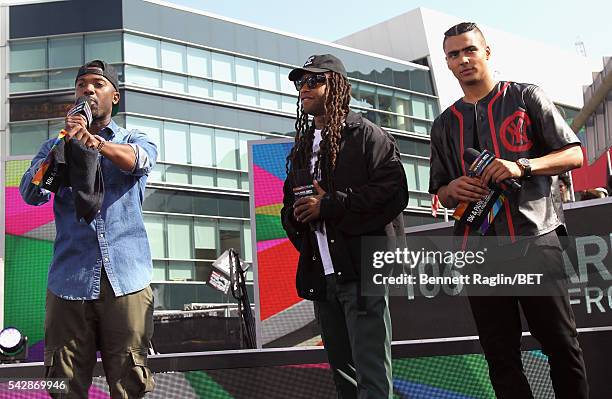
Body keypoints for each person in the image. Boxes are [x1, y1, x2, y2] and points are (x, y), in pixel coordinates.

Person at [428, 23, 589, 399]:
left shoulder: (526, 96)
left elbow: (576, 153)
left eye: (469, 50)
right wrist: (452, 189)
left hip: (536, 238)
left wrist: (523, 165)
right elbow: (440, 190)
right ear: (448, 63)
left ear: (487, 52)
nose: (463, 59)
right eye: (453, 54)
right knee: (500, 357)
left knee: (562, 347)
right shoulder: (443, 125)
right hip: (478, 250)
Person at [20, 60, 157, 398]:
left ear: (115, 96)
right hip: (69, 282)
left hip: (126, 281)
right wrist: (64, 143)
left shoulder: (133, 138)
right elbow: (31, 192)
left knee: (130, 383)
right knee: (62, 384)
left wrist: (95, 143)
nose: (88, 90)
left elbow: (137, 161)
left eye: (97, 84)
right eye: (82, 85)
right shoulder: (55, 146)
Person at [281, 54, 408, 398]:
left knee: (372, 378)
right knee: (344, 379)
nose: (303, 89)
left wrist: (331, 204)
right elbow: (287, 209)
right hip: (323, 279)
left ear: (335, 86)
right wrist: (299, 214)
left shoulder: (368, 136)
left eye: (313, 81)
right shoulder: (302, 148)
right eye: (299, 83)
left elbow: (394, 193)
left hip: (362, 274)